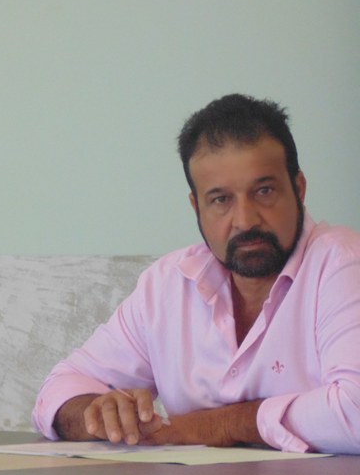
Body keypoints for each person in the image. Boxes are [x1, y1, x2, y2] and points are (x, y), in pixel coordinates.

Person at [32, 93, 360, 454]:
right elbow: (58, 391)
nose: (245, 220)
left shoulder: (343, 263)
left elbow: (355, 411)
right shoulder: (168, 285)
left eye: (264, 191)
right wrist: (97, 415)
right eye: (221, 199)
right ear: (196, 206)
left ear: (298, 189)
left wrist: (217, 425)